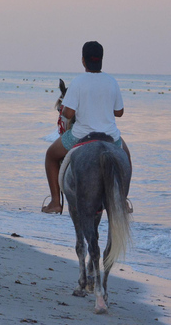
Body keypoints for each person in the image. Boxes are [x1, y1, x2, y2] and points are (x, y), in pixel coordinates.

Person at [41, 41, 131, 214]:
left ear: (83, 60)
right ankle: (123, 200)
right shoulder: (111, 81)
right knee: (126, 157)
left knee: (51, 156)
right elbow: (119, 112)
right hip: (110, 136)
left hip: (81, 135)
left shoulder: (78, 82)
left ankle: (55, 202)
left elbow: (68, 114)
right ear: (102, 60)